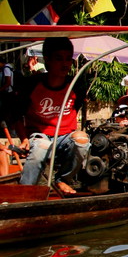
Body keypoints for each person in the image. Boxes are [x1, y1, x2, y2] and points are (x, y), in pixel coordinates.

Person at [14, 37, 90, 193]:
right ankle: (25, 190)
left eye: (68, 59)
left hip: (65, 137)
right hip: (39, 135)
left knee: (82, 140)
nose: (65, 64)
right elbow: (15, 115)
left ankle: (62, 180)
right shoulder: (32, 85)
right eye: (59, 59)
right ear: (47, 60)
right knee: (41, 147)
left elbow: (76, 107)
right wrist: (23, 139)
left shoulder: (76, 85)